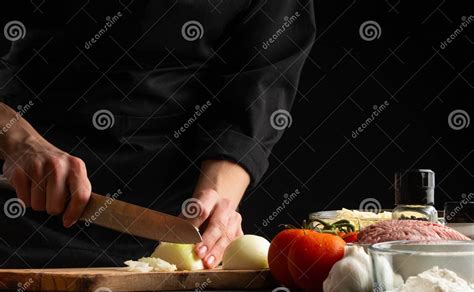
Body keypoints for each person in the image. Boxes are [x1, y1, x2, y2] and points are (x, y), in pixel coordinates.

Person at [0, 1, 315, 268]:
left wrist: (216, 202)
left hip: (167, 237)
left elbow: (263, 78)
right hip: (17, 211)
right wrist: (18, 141)